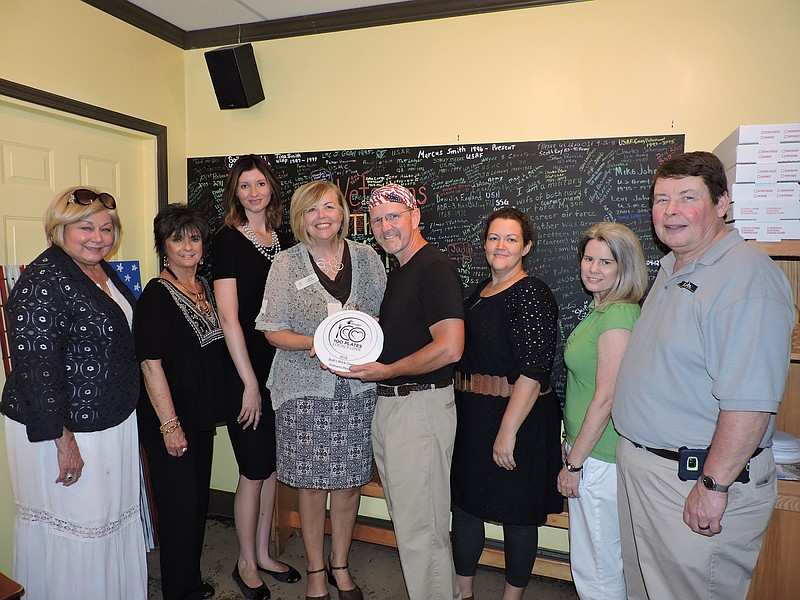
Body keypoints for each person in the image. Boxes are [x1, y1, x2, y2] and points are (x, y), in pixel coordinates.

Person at [613, 151, 794, 599]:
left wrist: (713, 485)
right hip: (648, 471)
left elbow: (748, 403)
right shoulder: (674, 267)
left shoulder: (745, 278)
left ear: (722, 204)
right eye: (661, 199)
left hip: (692, 481)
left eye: (687, 197)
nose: (671, 210)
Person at [1, 187, 146, 598]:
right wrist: (63, 441)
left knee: (107, 522)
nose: (98, 237)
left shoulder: (100, 269)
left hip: (108, 419)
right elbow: (35, 368)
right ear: (59, 229)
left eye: (106, 228)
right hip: (63, 428)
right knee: (80, 528)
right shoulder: (43, 279)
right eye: (86, 227)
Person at [255, 180, 386, 600]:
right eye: (312, 210)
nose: (322, 216)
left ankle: (340, 565)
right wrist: (319, 343)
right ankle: (315, 569)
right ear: (300, 218)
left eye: (329, 207)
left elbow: (379, 322)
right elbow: (271, 329)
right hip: (304, 389)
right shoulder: (286, 264)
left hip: (357, 392)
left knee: (349, 484)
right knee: (310, 485)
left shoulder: (368, 259)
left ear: (343, 212)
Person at [341, 183, 465, 600]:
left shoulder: (434, 268)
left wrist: (388, 370)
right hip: (395, 408)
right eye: (377, 220)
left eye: (394, 216)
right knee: (414, 525)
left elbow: (450, 346)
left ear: (415, 216)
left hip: (419, 409)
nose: (385, 226)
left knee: (420, 531)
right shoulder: (402, 270)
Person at [450, 207, 563, 600]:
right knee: (464, 507)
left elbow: (534, 371)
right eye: (495, 237)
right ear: (485, 243)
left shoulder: (532, 293)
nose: (501, 246)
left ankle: (511, 598)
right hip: (472, 417)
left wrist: (507, 432)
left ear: (526, 246)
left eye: (511, 239)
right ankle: (463, 592)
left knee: (517, 515)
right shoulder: (477, 293)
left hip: (518, 419)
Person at [213, 154, 299, 599]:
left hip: (279, 368)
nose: (253, 192)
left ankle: (264, 553)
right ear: (235, 193)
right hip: (242, 369)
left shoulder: (281, 239)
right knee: (251, 469)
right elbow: (229, 318)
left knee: (268, 467)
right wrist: (249, 382)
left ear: (271, 189)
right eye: (244, 185)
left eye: (260, 183)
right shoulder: (226, 241)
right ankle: (245, 561)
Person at [136, 203, 230, 600]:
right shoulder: (156, 295)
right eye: (178, 239)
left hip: (199, 413)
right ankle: (178, 589)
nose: (187, 247)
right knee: (178, 507)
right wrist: (170, 425)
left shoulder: (204, 287)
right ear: (164, 246)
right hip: (170, 418)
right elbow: (151, 364)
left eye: (194, 238)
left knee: (196, 502)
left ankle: (188, 581)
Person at [557, 222, 648, 599]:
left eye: (605, 262)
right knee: (601, 561)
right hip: (591, 454)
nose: (593, 269)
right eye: (588, 258)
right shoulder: (602, 311)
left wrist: (574, 464)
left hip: (599, 459)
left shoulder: (618, 315)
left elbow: (607, 397)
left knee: (597, 569)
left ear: (624, 268)